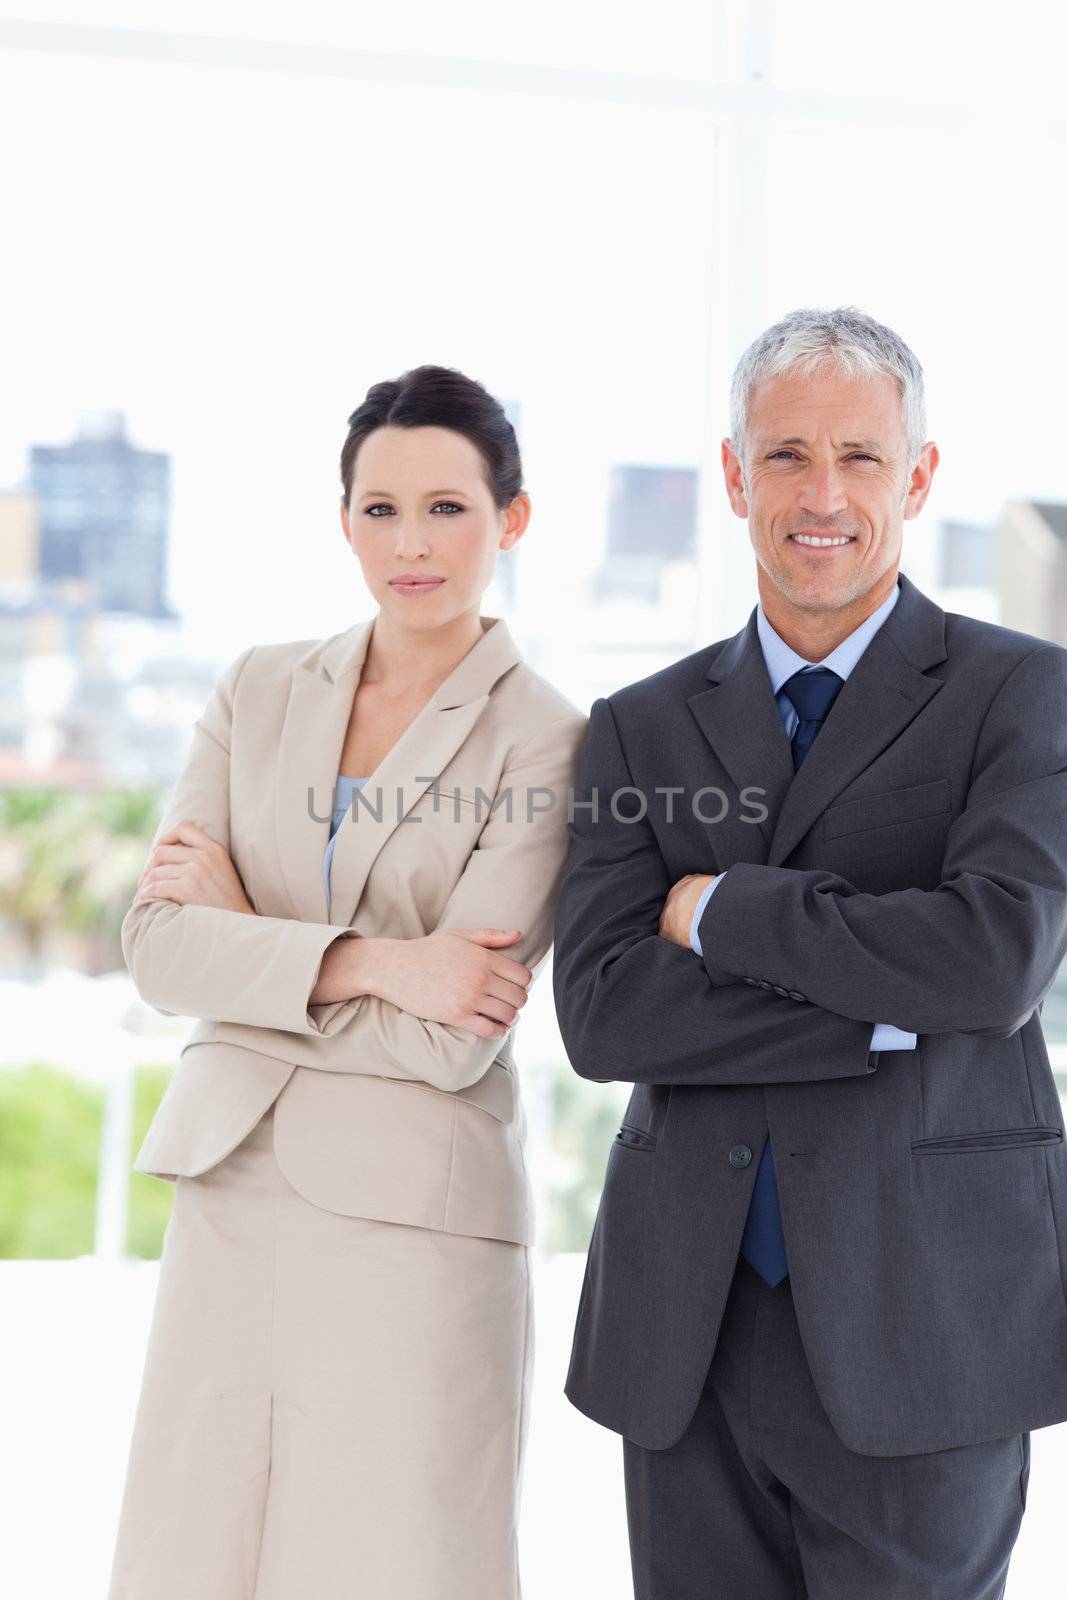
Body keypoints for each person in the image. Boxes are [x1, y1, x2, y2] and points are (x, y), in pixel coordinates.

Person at [552, 306, 1067, 1598]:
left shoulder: (1023, 692)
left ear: (918, 476)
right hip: (690, 1327)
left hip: (927, 1312)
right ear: (732, 475)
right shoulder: (639, 724)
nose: (819, 494)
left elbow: (991, 964)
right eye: (783, 455)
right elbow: (605, 1015)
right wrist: (883, 1006)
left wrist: (720, 914)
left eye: (857, 457)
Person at [106, 364, 587, 1600]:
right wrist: (379, 960)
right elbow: (159, 947)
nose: (409, 543)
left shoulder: (547, 734)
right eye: (378, 508)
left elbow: (451, 1038)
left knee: (389, 1563)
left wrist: (249, 944)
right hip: (231, 1189)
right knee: (191, 1558)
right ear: (343, 521)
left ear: (510, 520)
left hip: (411, 1228)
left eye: (446, 508)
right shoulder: (256, 688)